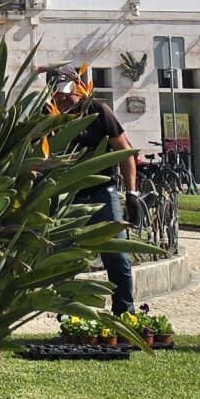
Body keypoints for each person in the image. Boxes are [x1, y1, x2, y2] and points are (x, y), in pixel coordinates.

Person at [52, 75, 141, 315]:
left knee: (117, 256)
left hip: (102, 192)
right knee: (63, 259)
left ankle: (125, 313)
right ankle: (69, 316)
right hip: (67, 197)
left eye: (67, 93)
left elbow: (124, 152)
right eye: (58, 94)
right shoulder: (50, 114)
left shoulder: (98, 110)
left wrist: (131, 194)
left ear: (79, 90)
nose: (63, 99)